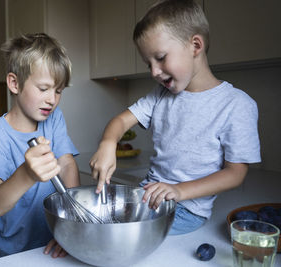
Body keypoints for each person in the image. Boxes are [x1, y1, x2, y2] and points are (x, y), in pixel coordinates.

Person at [89, 0, 261, 235]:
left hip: (185, 208)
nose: (153, 71)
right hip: (148, 195)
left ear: (195, 45)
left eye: (160, 57)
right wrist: (108, 143)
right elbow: (120, 122)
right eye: (148, 63)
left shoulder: (236, 105)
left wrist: (178, 191)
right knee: (92, 216)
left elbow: (235, 174)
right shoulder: (161, 95)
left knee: (105, 233)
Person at [0, 33, 79, 262]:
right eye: (44, 88)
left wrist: (70, 227)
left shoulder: (54, 119)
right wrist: (27, 174)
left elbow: (67, 163)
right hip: (4, 253)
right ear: (14, 83)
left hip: (47, 246)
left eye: (58, 90)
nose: (52, 99)